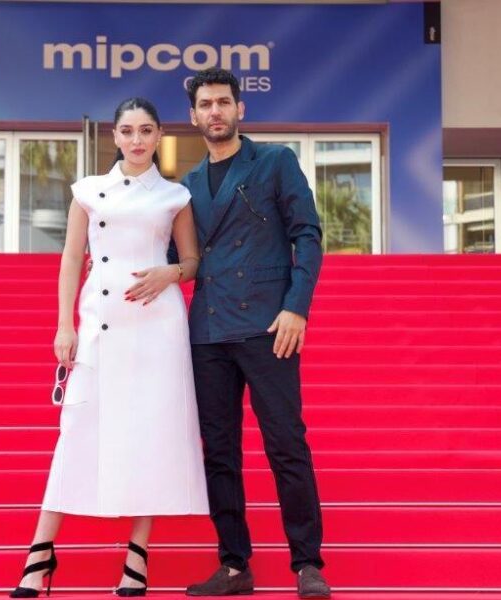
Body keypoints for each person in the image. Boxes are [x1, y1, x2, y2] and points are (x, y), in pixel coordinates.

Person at [9, 97, 208, 598]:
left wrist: (171, 272)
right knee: (76, 430)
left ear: (159, 135)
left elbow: (192, 261)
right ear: (115, 136)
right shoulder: (87, 191)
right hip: (100, 324)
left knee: (152, 435)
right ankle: (40, 551)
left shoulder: (175, 196)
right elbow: (70, 258)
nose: (137, 140)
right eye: (127, 131)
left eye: (146, 130)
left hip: (157, 327)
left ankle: (137, 556)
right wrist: (65, 325)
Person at [179, 69, 331, 598]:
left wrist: (296, 308)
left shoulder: (275, 161)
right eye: (206, 104)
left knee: (286, 443)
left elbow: (307, 234)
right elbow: (178, 256)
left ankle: (307, 563)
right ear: (193, 116)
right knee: (219, 451)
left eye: (223, 102)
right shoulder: (186, 186)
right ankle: (234, 564)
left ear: (240, 109)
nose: (215, 111)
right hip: (208, 330)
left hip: (269, 325)